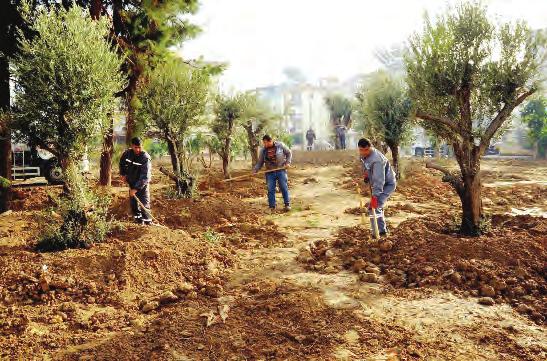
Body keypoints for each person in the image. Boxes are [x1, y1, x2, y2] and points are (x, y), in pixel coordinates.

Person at [358, 138, 396, 236]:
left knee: (374, 207)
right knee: (375, 207)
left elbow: (379, 181)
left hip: (387, 185)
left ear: (370, 147)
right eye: (361, 150)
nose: (363, 152)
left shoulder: (377, 160)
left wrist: (375, 196)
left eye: (365, 150)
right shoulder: (364, 155)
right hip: (377, 183)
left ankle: (378, 233)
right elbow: (365, 165)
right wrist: (366, 174)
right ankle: (381, 230)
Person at [254, 134, 292, 212]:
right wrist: (255, 170)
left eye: (266, 142)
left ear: (270, 141)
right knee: (270, 189)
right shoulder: (263, 150)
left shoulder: (280, 145)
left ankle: (287, 205)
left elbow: (289, 153)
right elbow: (260, 162)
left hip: (280, 169)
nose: (265, 144)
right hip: (269, 172)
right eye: (264, 143)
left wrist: (288, 162)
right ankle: (272, 207)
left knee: (283, 187)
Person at [119, 137, 152, 225]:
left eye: (139, 147)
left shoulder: (145, 158)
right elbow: (122, 163)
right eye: (135, 147)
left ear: (142, 146)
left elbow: (145, 176)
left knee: (144, 204)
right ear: (132, 146)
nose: (137, 149)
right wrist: (123, 174)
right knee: (134, 205)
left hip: (142, 185)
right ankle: (139, 222)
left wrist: (136, 188)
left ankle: (148, 223)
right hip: (131, 183)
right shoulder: (127, 153)